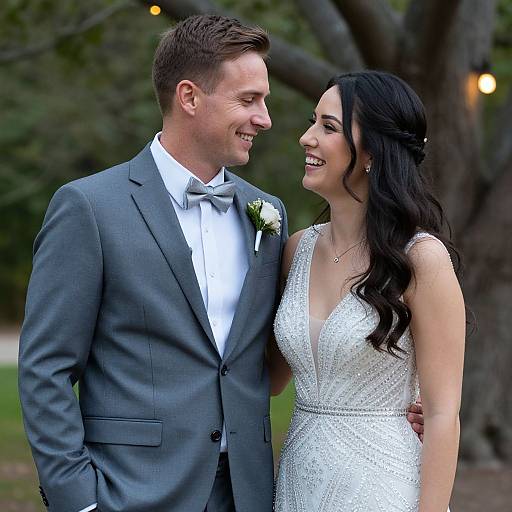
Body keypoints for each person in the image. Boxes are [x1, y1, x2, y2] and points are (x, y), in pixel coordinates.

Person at [18, 15, 423, 512]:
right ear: (189, 97)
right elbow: (46, 368)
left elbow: (273, 354)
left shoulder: (267, 214)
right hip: (129, 493)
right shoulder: (90, 207)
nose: (267, 119)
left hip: (248, 493)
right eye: (248, 100)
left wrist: (392, 399)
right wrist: (77, 499)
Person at [269, 71, 465, 511]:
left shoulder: (421, 258)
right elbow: (267, 379)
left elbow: (440, 414)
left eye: (328, 127)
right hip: (299, 480)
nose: (306, 138)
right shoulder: (296, 250)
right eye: (312, 121)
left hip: (383, 486)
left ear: (374, 151)